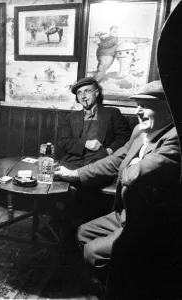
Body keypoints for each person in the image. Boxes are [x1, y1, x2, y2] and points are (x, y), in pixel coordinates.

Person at [54, 80, 181, 293]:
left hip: (150, 221)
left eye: (145, 105)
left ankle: (122, 290)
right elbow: (114, 162)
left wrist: (131, 164)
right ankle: (114, 282)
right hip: (125, 213)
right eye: (137, 104)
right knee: (83, 232)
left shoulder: (174, 139)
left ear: (167, 109)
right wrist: (75, 174)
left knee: (93, 253)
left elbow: (134, 175)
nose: (138, 111)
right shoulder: (141, 133)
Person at [58, 77, 131, 170]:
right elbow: (63, 142)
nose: (83, 96)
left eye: (87, 91)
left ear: (96, 93)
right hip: (74, 160)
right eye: (79, 93)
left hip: (101, 161)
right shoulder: (70, 117)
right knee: (59, 175)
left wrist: (108, 151)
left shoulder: (112, 113)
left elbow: (124, 137)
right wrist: (85, 144)